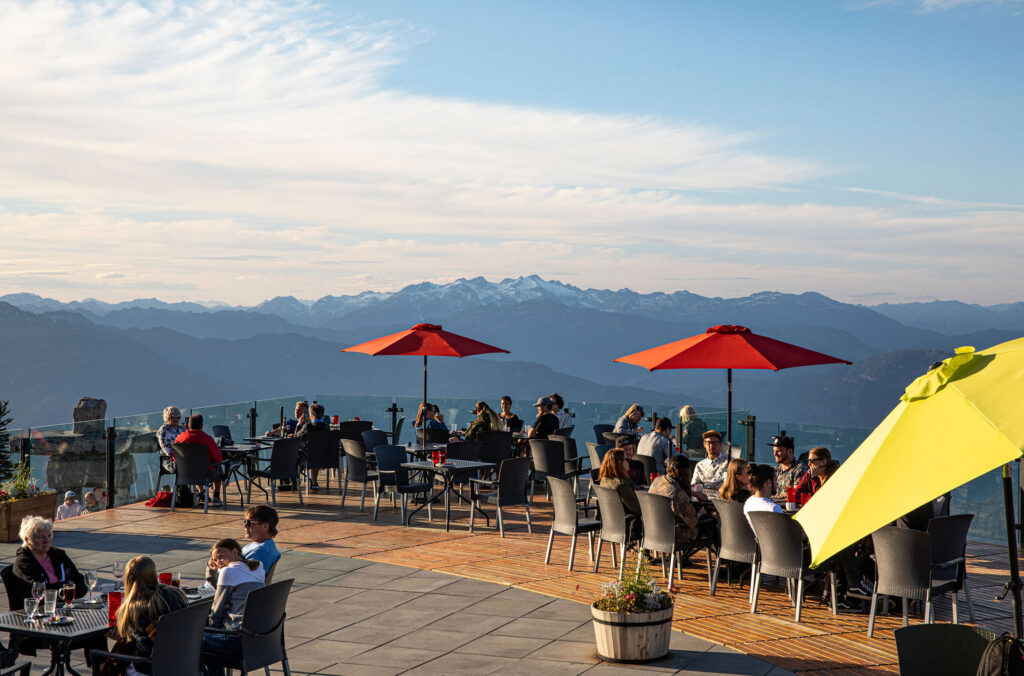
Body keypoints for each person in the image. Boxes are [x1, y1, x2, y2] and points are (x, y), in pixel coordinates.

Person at [104, 556, 187, 676]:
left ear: (128, 579)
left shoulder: (136, 607)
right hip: (182, 661)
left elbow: (144, 647)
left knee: (113, 661)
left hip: (149, 667)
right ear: (153, 573)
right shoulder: (175, 593)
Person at [202, 539, 266, 676]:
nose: (218, 562)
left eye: (221, 556)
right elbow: (227, 592)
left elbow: (216, 611)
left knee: (196, 641)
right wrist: (213, 574)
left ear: (235, 552)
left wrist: (212, 629)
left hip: (236, 639)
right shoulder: (258, 568)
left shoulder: (228, 572)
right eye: (215, 559)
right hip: (258, 639)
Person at [207, 505, 281, 586]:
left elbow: (241, 579)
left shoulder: (261, 552)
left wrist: (212, 570)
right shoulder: (259, 545)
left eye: (249, 523)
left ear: (265, 526)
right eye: (245, 521)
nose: (245, 525)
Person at [648, 456, 708, 553]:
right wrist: (701, 513)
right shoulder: (678, 495)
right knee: (711, 522)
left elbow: (674, 487)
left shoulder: (658, 480)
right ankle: (724, 561)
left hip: (655, 530)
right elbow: (693, 522)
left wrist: (693, 493)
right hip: (675, 536)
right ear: (686, 472)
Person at [174, 413, 226, 507]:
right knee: (217, 467)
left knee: (195, 466)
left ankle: (202, 492)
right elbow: (218, 458)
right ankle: (216, 497)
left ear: (188, 426)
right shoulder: (207, 439)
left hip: (184, 473)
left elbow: (175, 457)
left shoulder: (179, 438)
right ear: (201, 426)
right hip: (205, 473)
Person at [596, 448, 642, 524]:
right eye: (626, 459)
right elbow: (637, 509)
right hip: (626, 524)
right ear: (619, 463)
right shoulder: (622, 485)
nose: (629, 461)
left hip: (611, 523)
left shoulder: (605, 480)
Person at [296, 403, 330, 489]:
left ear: (311, 415)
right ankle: (314, 481)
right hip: (324, 459)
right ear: (322, 415)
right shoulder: (327, 427)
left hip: (309, 459)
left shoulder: (307, 426)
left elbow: (296, 437)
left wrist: (299, 425)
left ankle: (296, 479)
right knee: (316, 451)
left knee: (297, 454)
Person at [691, 430, 729, 499]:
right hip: (704, 500)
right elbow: (694, 486)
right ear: (704, 444)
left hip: (722, 500)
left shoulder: (728, 462)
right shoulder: (700, 465)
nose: (711, 445)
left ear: (720, 444)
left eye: (714, 442)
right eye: (708, 442)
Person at [770, 431, 807, 500]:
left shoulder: (799, 469)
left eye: (779, 451)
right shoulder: (776, 470)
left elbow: (796, 495)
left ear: (790, 451)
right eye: (774, 451)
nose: (775, 454)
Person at [155, 406, 184, 474]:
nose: (175, 419)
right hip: (170, 460)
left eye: (178, 417)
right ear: (166, 417)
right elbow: (168, 451)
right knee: (190, 464)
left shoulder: (182, 429)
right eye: (172, 417)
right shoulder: (163, 431)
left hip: (184, 457)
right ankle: (182, 484)